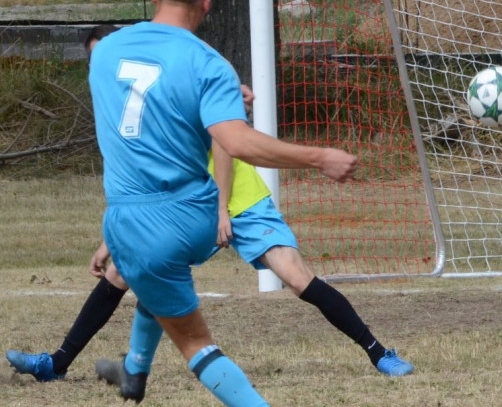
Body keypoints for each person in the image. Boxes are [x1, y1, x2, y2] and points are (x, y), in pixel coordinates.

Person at [69, 0, 356, 407]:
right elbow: (235, 141)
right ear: (206, 2)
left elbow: (144, 110)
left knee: (196, 343)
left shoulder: (105, 52)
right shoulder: (209, 64)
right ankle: (134, 370)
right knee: (161, 280)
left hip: (136, 221)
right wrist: (319, 155)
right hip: (199, 216)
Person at [6, 28, 414, 388]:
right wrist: (111, 242)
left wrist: (222, 209)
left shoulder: (172, 77)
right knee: (121, 272)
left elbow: (223, 141)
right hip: (186, 206)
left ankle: (378, 352)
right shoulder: (127, 109)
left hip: (237, 198)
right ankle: (57, 363)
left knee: (296, 277)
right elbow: (144, 190)